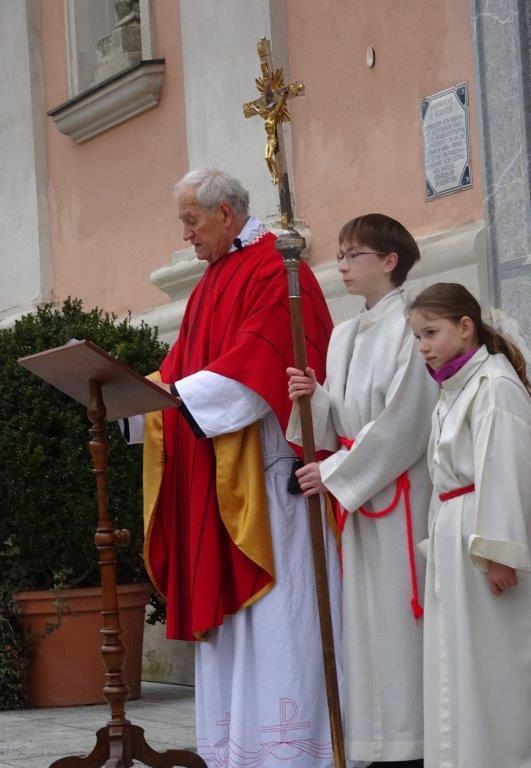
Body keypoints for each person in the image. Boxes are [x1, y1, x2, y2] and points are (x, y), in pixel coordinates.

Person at [122, 168, 344, 768]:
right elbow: (181, 367)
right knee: (239, 632)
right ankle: (239, 752)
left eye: (191, 221)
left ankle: (290, 754)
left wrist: (174, 401)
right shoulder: (215, 278)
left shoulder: (276, 268)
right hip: (221, 473)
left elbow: (259, 362)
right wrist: (129, 404)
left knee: (278, 623)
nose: (185, 235)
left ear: (225, 214)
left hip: (268, 482)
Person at [287, 214, 439, 767]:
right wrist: (314, 395)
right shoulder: (345, 334)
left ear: (390, 261)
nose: (343, 266)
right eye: (341, 255)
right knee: (365, 621)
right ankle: (376, 742)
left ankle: (413, 743)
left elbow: (405, 422)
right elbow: (340, 419)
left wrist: (334, 473)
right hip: (360, 491)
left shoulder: (411, 326)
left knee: (399, 616)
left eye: (354, 255)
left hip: (398, 492)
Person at [409, 282, 531, 768]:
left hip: (484, 542)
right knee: (464, 663)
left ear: (465, 327)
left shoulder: (494, 385)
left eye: (431, 333)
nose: (423, 347)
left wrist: (499, 553)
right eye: (417, 337)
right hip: (458, 536)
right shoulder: (454, 387)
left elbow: (505, 470)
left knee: (501, 662)